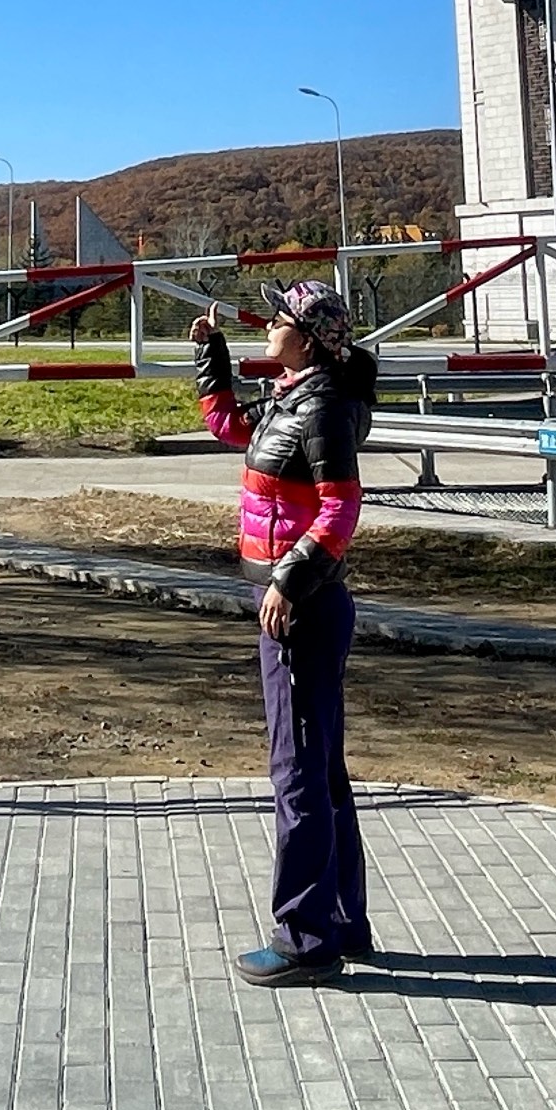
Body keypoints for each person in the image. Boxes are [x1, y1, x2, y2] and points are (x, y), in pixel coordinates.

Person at [191, 280, 377, 985]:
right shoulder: (293, 397)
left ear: (306, 334)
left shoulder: (322, 405)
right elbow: (231, 429)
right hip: (296, 602)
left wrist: (288, 581)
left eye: (279, 317)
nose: (267, 324)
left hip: (301, 608)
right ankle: (343, 920)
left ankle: (305, 935)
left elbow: (340, 509)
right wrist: (211, 356)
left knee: (297, 770)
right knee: (321, 768)